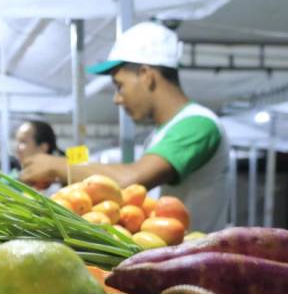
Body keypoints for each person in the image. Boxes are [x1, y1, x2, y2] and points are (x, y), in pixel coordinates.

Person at [20, 22, 229, 233]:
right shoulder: (161, 133)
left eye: (119, 85)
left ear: (146, 75)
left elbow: (130, 179)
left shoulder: (197, 125)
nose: (117, 99)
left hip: (199, 260)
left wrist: (57, 165)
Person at [15, 120, 63, 192]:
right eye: (17, 141)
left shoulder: (63, 186)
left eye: (23, 142)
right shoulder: (12, 182)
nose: (17, 148)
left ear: (43, 148)